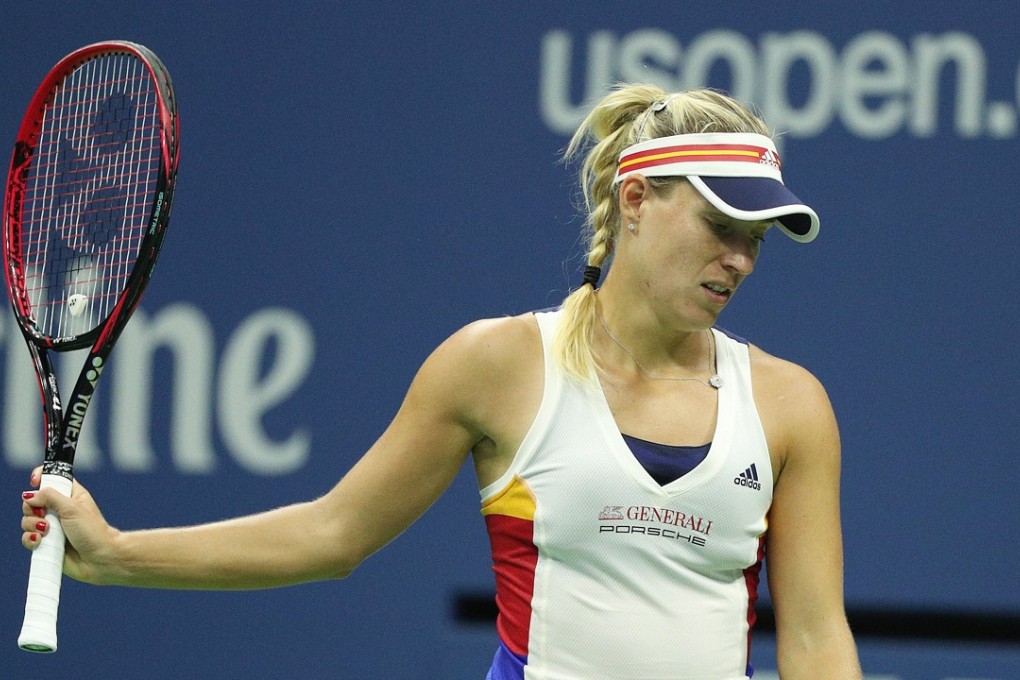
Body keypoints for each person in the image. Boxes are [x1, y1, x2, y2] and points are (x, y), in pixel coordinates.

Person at [21, 83, 862, 679]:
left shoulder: (790, 406)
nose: (741, 258)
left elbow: (819, 640)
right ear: (635, 198)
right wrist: (120, 555)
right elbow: (332, 534)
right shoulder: (497, 366)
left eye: (758, 236)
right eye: (721, 223)